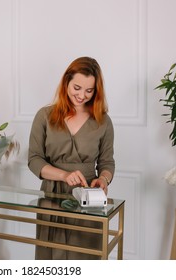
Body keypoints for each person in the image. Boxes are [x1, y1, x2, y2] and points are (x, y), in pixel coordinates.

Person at [28, 56, 115, 259]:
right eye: (77, 87)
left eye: (89, 90)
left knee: (84, 256)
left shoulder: (103, 122)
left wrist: (103, 179)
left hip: (88, 195)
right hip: (52, 194)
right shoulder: (44, 116)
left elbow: (107, 162)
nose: (82, 95)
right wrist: (64, 175)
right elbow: (34, 159)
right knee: (50, 258)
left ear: (96, 91)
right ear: (66, 81)